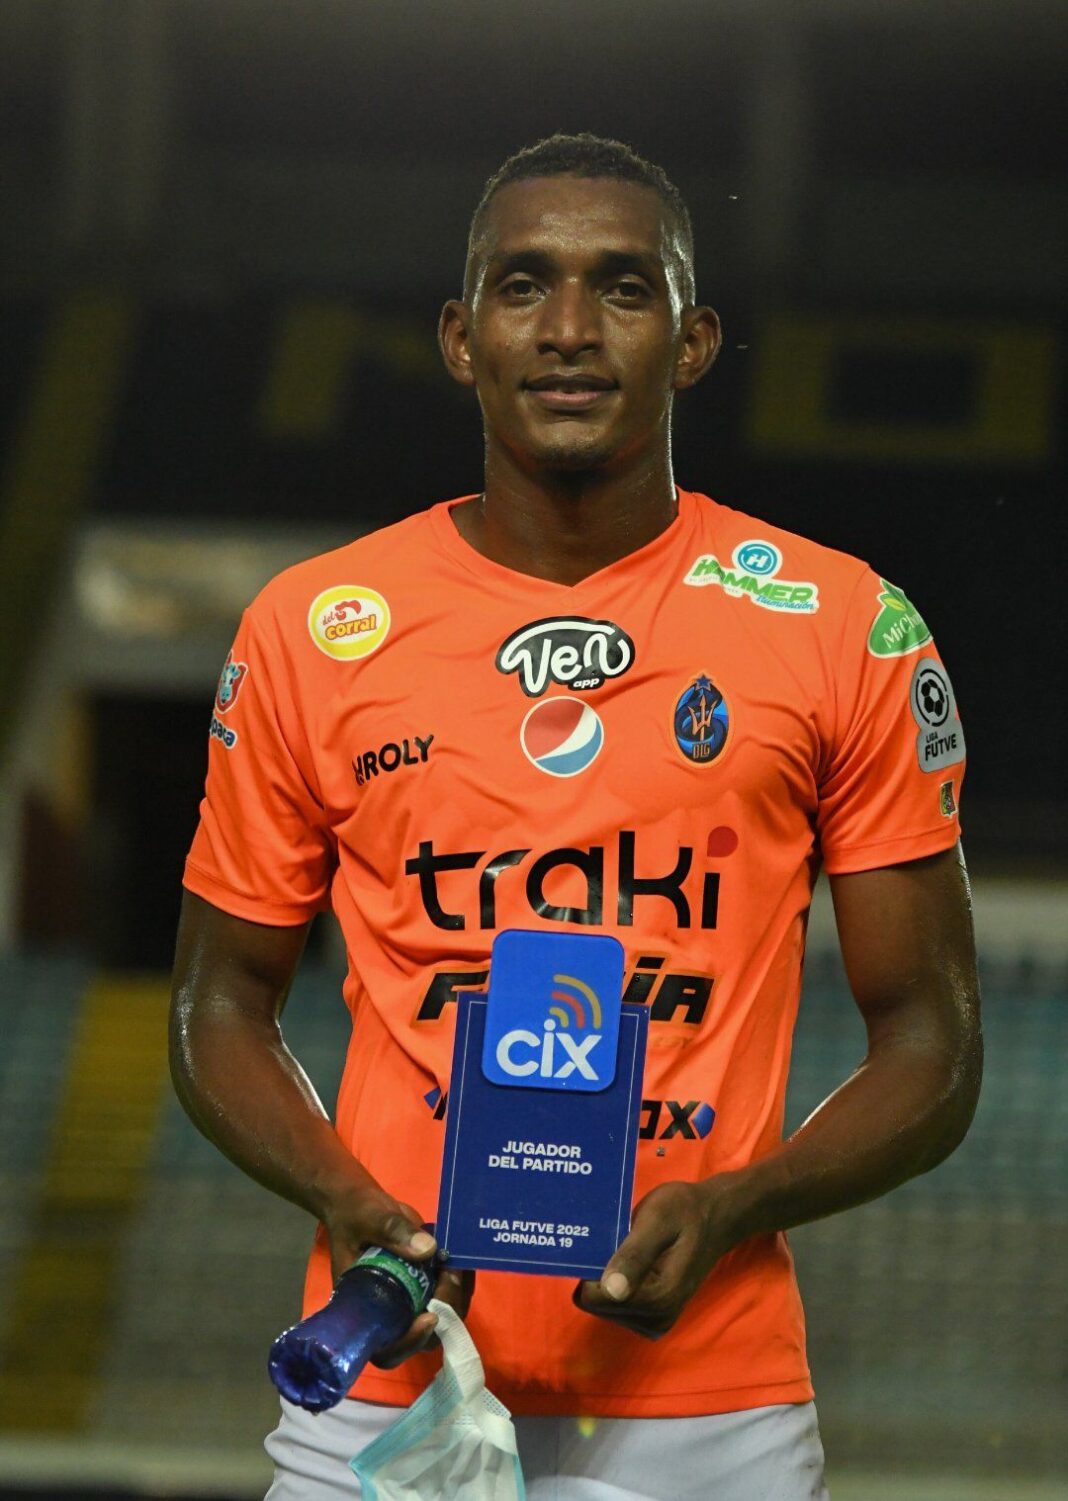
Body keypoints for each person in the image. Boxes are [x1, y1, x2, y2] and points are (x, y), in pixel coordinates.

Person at [170, 133, 982, 1500]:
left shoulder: (845, 627)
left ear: (694, 341)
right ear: (459, 337)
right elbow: (217, 1006)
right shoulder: (312, 630)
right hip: (386, 1380)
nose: (566, 328)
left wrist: (737, 1205)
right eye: (522, 284)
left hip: (708, 1411)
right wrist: (344, 1196)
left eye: (622, 286)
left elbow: (933, 1042)